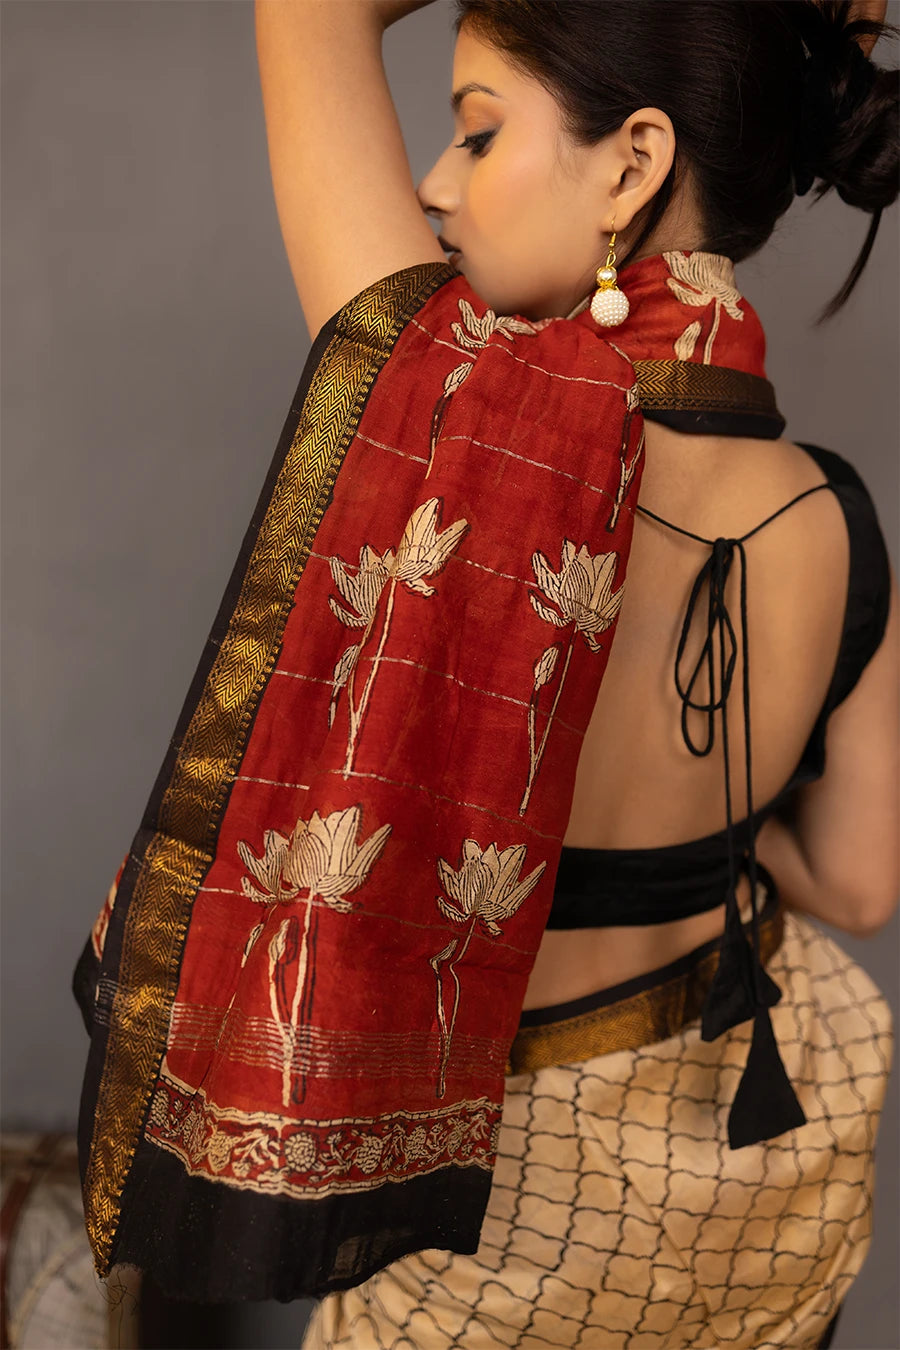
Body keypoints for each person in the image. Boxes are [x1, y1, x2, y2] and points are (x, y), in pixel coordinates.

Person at [72, 1, 898, 1347]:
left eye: (477, 131)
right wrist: (703, 823)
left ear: (633, 164)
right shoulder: (839, 518)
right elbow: (863, 878)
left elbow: (309, 13)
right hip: (761, 1196)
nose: (433, 182)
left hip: (509, 1219)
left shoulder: (452, 413)